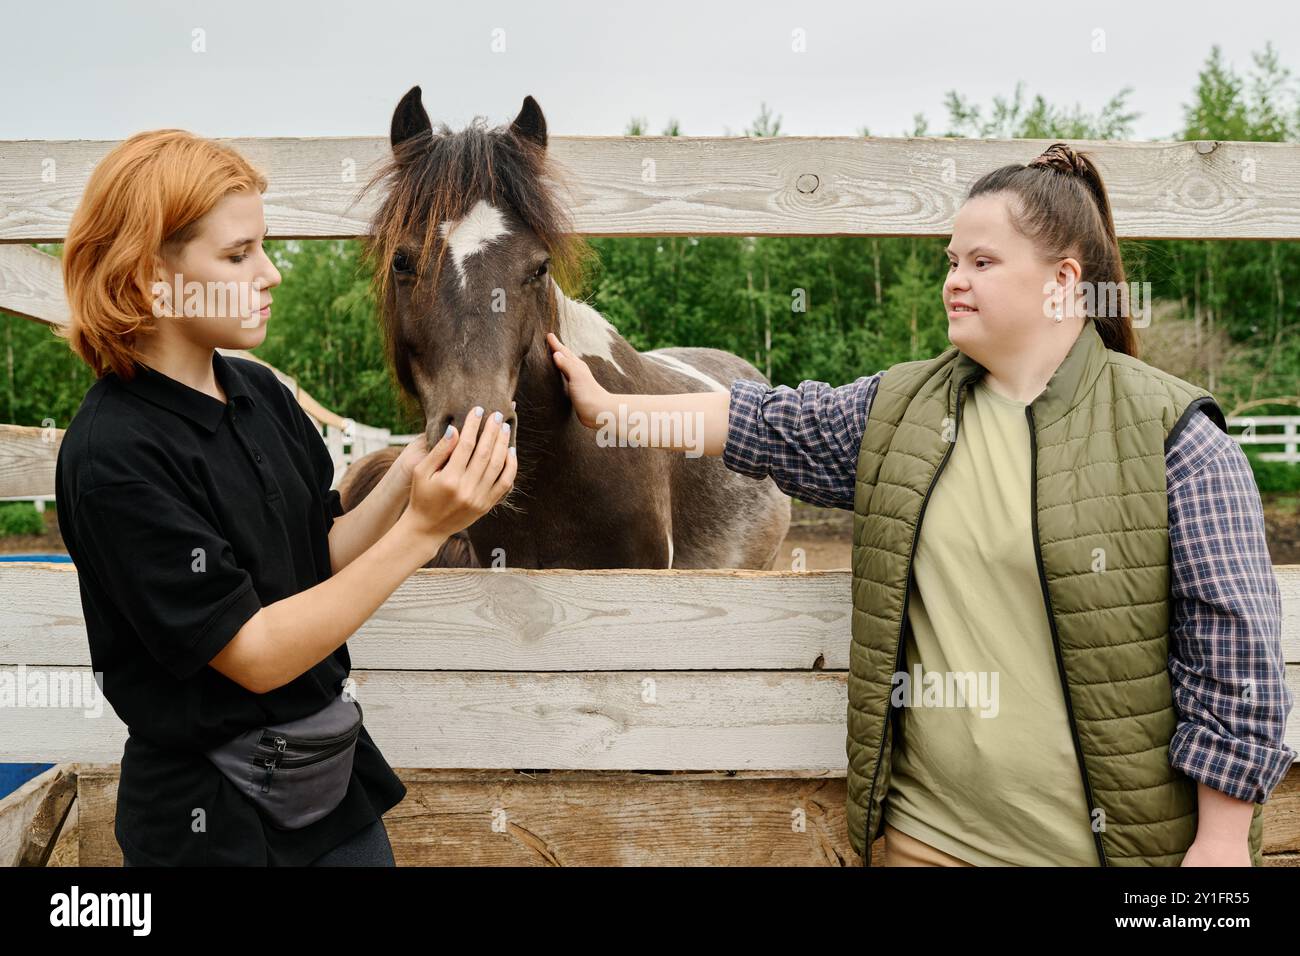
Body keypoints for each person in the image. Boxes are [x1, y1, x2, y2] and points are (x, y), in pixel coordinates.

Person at [546, 142, 1295, 867]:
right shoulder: (900, 410)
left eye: (982, 262)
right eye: (951, 262)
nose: (954, 281)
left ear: (1064, 281)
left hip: (1101, 853)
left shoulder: (1178, 440)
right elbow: (765, 423)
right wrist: (613, 410)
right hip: (926, 843)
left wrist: (1224, 839)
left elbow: (1236, 655)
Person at [54, 129, 516, 865]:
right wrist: (422, 533)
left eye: (262, 248)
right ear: (150, 277)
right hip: (212, 824)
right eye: (238, 255)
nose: (270, 275)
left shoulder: (260, 392)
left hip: (329, 788)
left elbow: (316, 559)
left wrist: (412, 467)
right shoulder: (116, 455)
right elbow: (256, 653)